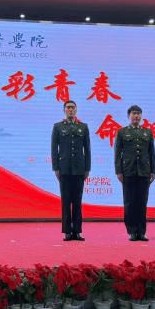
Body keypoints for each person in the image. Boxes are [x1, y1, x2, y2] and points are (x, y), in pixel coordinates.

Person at [114, 105, 155, 241]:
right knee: (130, 202)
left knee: (142, 202)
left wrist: (153, 170)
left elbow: (151, 153)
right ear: (129, 116)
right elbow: (117, 154)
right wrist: (119, 171)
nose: (136, 116)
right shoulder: (122, 132)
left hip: (144, 171)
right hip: (128, 171)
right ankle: (132, 231)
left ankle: (142, 232)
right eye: (133, 113)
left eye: (138, 114)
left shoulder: (147, 132)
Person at [51, 100, 91, 241]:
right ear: (64, 110)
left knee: (78, 202)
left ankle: (77, 231)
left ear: (76, 110)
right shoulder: (58, 127)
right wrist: (56, 167)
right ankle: (67, 231)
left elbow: (87, 149)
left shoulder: (83, 127)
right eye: (68, 108)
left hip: (79, 169)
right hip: (64, 169)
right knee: (66, 202)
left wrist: (87, 168)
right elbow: (54, 149)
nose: (71, 110)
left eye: (73, 108)